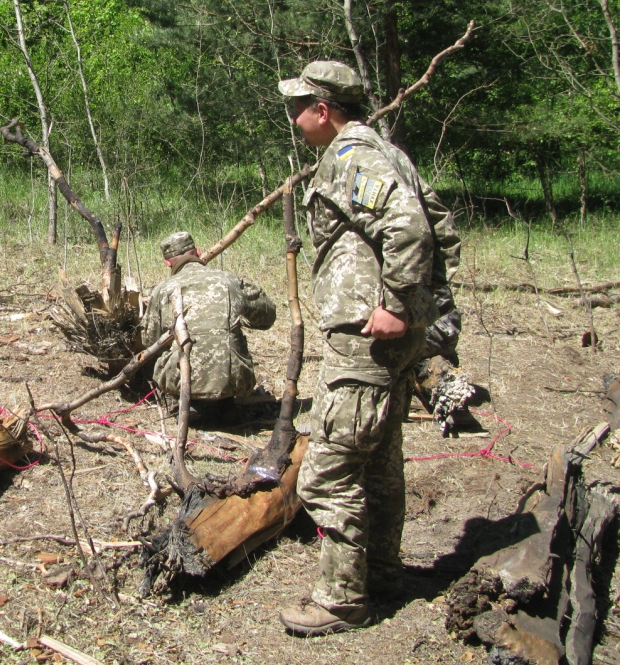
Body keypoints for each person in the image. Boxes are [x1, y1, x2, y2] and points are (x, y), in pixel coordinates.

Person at [275, 61, 459, 636]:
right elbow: (444, 225)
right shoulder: (386, 151)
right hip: (392, 336)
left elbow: (412, 227)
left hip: (368, 335)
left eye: (298, 107)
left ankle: (339, 599)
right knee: (378, 460)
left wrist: (398, 305)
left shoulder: (353, 155)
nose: (294, 118)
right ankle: (380, 574)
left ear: (324, 110)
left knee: (327, 470)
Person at [141, 231, 276, 421]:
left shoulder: (163, 289)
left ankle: (185, 402)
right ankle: (224, 404)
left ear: (168, 263)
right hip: (231, 381)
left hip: (181, 381)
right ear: (198, 251)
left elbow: (149, 340)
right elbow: (267, 316)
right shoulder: (230, 281)